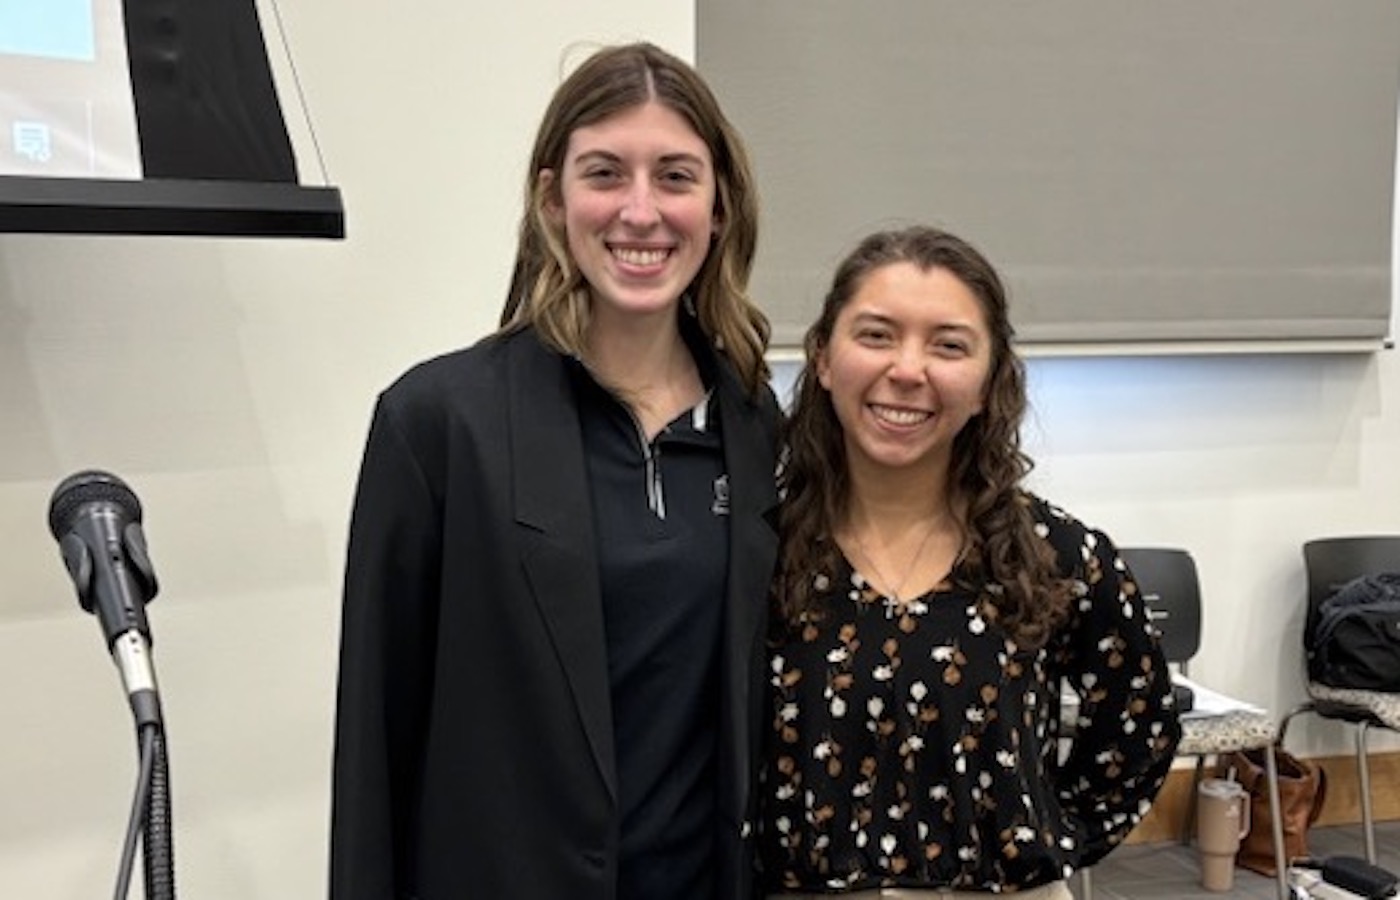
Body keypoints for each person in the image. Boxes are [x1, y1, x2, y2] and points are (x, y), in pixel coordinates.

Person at [329, 42, 781, 900]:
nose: (641, 211)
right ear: (552, 199)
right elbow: (373, 751)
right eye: (605, 173)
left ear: (719, 207)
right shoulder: (437, 424)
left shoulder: (754, 426)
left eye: (676, 177)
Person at [759, 226, 1181, 898]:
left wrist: (1048, 839)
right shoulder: (757, 550)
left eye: (949, 345)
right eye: (875, 334)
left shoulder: (1059, 555)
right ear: (823, 357)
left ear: (989, 381)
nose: (907, 369)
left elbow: (1140, 728)